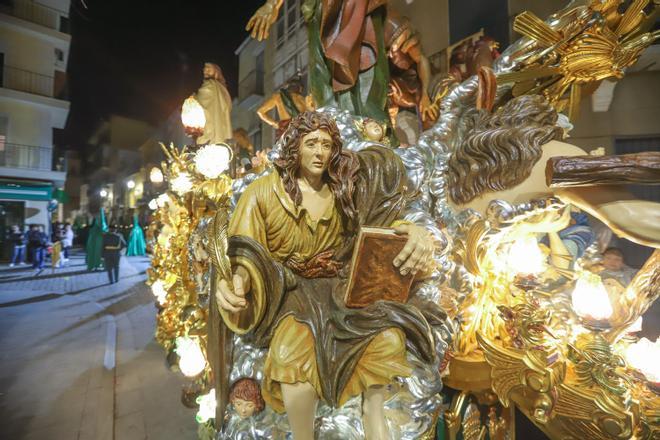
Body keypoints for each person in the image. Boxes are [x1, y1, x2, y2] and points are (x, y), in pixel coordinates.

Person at [215, 112, 449, 440]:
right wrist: (238, 282)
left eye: (326, 145)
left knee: (387, 339)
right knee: (291, 353)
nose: (320, 153)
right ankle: (303, 434)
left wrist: (410, 231)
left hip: (342, 291)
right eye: (311, 143)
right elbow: (245, 252)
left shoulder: (343, 188)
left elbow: (378, 223)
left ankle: (375, 423)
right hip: (291, 293)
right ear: (294, 147)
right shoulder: (263, 193)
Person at [195, 62, 232, 146]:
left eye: (208, 68)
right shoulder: (221, 88)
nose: (205, 70)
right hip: (218, 127)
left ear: (216, 71)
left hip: (211, 125)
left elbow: (202, 103)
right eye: (204, 69)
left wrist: (192, 101)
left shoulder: (211, 85)